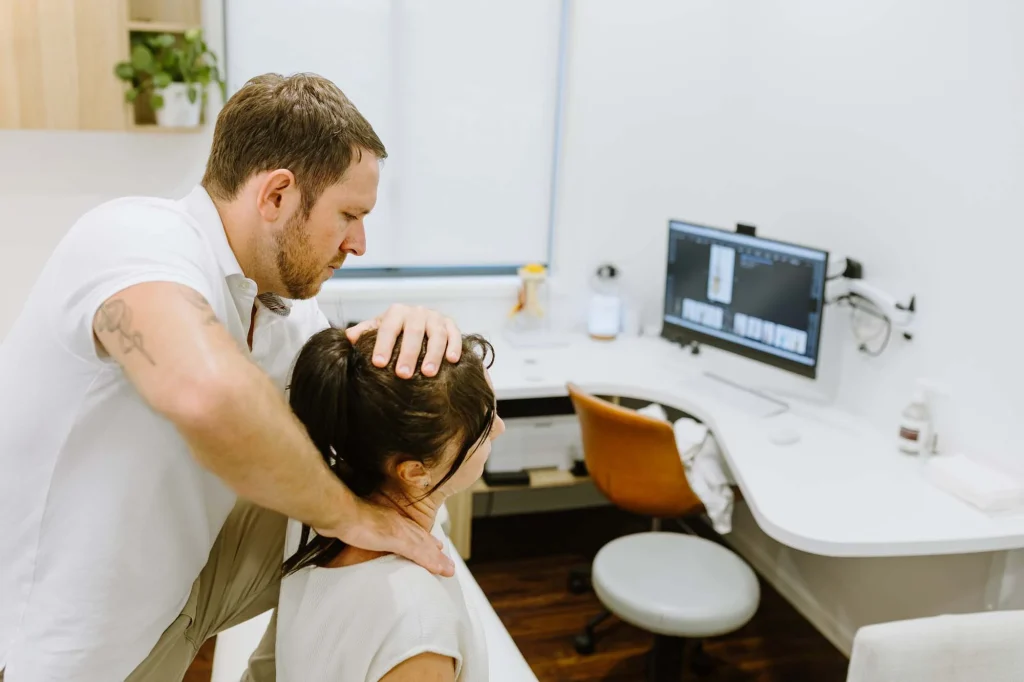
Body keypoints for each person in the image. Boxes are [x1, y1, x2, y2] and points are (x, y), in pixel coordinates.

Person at [0, 73, 459, 682]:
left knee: (394, 496)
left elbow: (361, 407)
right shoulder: (133, 239)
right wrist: (350, 517)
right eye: (350, 214)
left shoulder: (282, 304)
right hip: (69, 650)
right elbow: (207, 395)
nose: (361, 243)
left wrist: (411, 335)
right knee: (360, 510)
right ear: (276, 196)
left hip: (180, 591)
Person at [276, 327, 504, 681]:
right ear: (415, 472)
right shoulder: (419, 628)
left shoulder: (311, 515)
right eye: (484, 426)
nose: (499, 429)